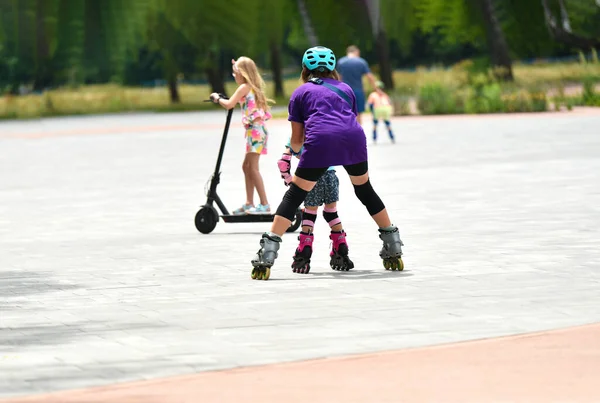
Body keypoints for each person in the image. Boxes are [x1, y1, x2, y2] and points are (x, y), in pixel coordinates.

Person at [250, 46, 404, 281]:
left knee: (294, 196)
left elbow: (296, 139)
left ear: (305, 69)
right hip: (353, 140)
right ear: (332, 69)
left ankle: (268, 253)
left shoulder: (301, 93)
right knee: (365, 190)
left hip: (320, 142)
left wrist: (299, 157)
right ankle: (393, 245)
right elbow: (348, 120)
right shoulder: (346, 89)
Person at [278, 139, 354, 274]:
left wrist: (288, 179)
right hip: (331, 175)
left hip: (310, 175)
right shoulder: (323, 131)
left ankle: (304, 251)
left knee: (309, 214)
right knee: (331, 213)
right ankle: (341, 245)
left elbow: (283, 162)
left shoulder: (300, 133)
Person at [210, 57, 272, 215]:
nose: (234, 76)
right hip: (255, 131)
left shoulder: (244, 87)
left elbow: (229, 104)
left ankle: (264, 204)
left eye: (234, 73)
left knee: (253, 168)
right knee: (246, 166)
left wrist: (217, 99)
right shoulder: (251, 87)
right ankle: (249, 202)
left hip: (255, 131)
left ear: (242, 73)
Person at [336, 45, 381, 125]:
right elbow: (369, 77)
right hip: (358, 91)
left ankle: (346, 133)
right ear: (356, 52)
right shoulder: (361, 62)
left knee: (345, 113)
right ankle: (358, 133)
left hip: (345, 91)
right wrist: (376, 89)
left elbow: (339, 78)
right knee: (358, 114)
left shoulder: (341, 62)